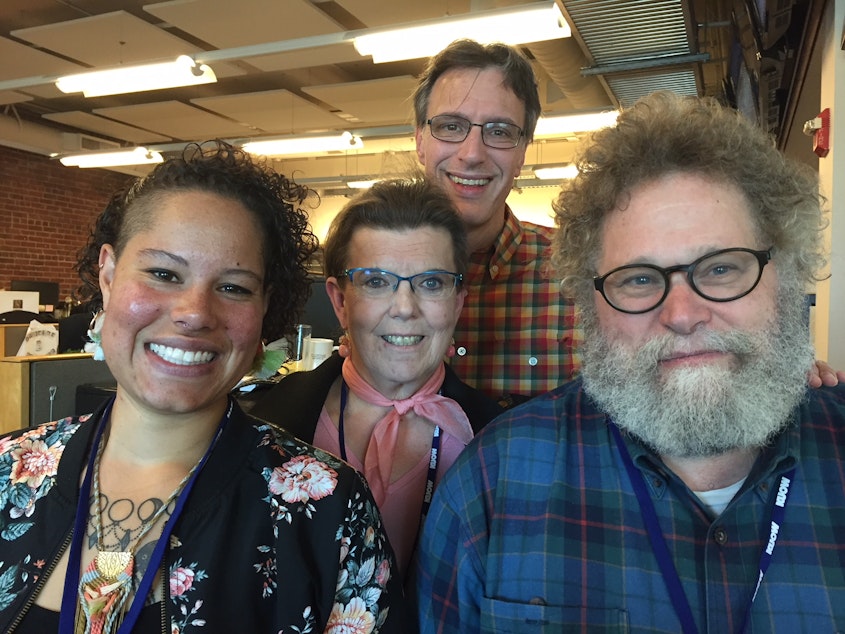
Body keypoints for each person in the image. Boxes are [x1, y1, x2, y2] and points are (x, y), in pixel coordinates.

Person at [416, 91, 845, 632]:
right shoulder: (490, 487)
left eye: (720, 270)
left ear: (786, 274)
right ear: (588, 304)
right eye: (640, 280)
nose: (684, 315)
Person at [0, 141, 402, 633]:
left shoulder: (328, 514)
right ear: (108, 274)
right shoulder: (8, 473)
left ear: (264, 312)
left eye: (233, 287)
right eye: (163, 273)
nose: (194, 312)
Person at [251, 178, 502, 585]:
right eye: (376, 281)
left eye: (432, 282)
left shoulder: (498, 442)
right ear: (340, 301)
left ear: (458, 303)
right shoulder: (267, 422)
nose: (404, 308)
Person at [412, 38, 581, 406]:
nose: (472, 154)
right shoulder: (371, 273)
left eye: (500, 132)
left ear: (522, 154)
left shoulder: (580, 275)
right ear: (420, 141)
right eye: (451, 126)